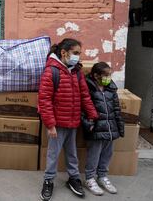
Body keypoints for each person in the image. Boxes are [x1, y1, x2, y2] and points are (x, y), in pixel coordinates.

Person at [39, 38, 98, 200]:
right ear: (64, 53)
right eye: (76, 53)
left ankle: (73, 178)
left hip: (73, 122)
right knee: (53, 154)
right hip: (56, 125)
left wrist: (93, 115)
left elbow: (85, 95)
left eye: (79, 53)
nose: (78, 57)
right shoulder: (51, 71)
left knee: (72, 154)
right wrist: (50, 125)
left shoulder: (76, 71)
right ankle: (48, 180)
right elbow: (44, 100)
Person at [82, 62, 124, 196]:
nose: (108, 77)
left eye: (110, 74)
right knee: (94, 154)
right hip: (96, 128)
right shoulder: (88, 88)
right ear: (96, 75)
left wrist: (119, 126)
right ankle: (89, 178)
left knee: (107, 153)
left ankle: (102, 176)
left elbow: (117, 109)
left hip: (111, 127)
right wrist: (88, 124)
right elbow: (82, 109)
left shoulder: (111, 88)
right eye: (106, 75)